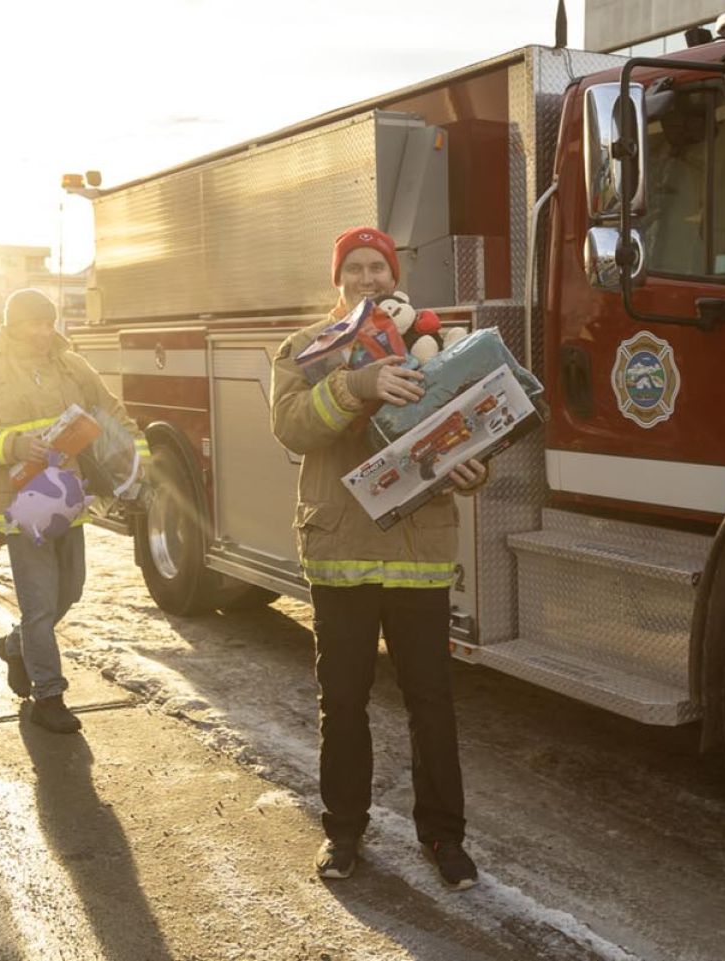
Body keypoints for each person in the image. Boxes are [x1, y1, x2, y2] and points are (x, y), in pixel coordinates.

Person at [269, 226, 488, 890]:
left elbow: (468, 419)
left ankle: (445, 838)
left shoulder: (437, 342)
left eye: (379, 268)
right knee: (343, 700)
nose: (368, 278)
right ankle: (342, 834)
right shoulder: (308, 348)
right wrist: (357, 382)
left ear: (393, 276)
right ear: (338, 279)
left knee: (433, 701)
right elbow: (290, 425)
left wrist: (471, 466)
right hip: (342, 552)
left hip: (419, 551)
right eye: (356, 268)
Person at [0, 288, 147, 734]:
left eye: (48, 323)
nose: (42, 332)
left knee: (68, 592)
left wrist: (138, 457)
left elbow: (109, 410)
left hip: (68, 499)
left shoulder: (71, 364)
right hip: (20, 506)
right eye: (33, 324)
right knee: (38, 605)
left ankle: (16, 647)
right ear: (11, 325)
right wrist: (13, 445)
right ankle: (48, 696)